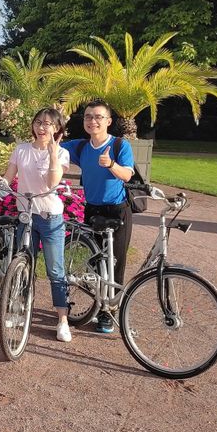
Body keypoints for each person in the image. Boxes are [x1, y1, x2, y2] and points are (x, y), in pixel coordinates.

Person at [0, 107, 73, 342]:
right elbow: (8, 177)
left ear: (57, 128)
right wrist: (0, 182)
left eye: (48, 124)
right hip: (26, 215)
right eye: (39, 122)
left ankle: (62, 320)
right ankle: (19, 310)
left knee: (55, 270)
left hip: (50, 218)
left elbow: (52, 182)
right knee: (22, 265)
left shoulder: (61, 154)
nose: (42, 127)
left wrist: (51, 154)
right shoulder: (21, 150)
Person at [63, 98, 135, 333]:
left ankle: (109, 312)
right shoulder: (80, 146)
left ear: (108, 121)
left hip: (117, 209)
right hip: (92, 209)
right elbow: (53, 146)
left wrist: (111, 164)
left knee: (116, 262)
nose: (92, 121)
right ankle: (97, 303)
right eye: (88, 117)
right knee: (96, 261)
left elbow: (127, 175)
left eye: (98, 117)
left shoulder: (119, 145)